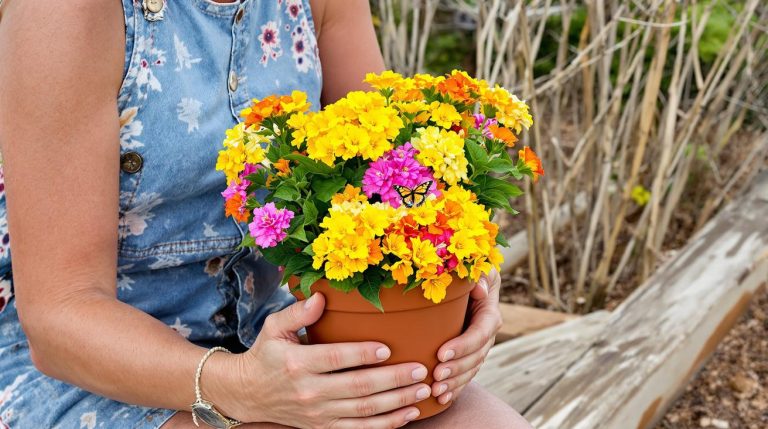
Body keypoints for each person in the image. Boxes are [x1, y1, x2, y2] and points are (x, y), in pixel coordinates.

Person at [0, 0, 533, 428]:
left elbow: (392, 178)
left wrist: (469, 289)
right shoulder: (68, 11)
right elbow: (58, 315)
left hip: (281, 337)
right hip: (93, 370)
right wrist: (243, 386)